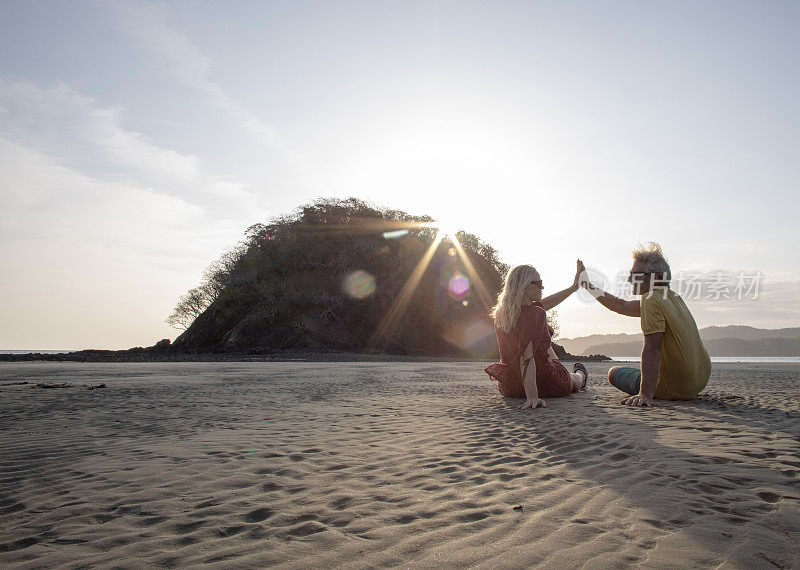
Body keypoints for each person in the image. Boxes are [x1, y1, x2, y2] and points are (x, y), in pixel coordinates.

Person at [582, 242, 711, 407]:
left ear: (654, 277)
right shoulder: (672, 298)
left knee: (613, 373)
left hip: (677, 386)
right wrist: (587, 285)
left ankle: (648, 389)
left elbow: (652, 348)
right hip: (699, 382)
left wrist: (645, 394)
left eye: (635, 274)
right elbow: (620, 306)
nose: (629, 279)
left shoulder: (650, 299)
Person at [486, 261, 589, 410]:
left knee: (542, 329)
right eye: (539, 284)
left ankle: (571, 371)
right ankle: (581, 373)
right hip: (545, 383)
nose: (542, 287)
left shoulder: (501, 315)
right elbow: (526, 358)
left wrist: (573, 287)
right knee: (574, 380)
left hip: (510, 388)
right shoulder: (536, 314)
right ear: (525, 286)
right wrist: (532, 397)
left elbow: (543, 303)